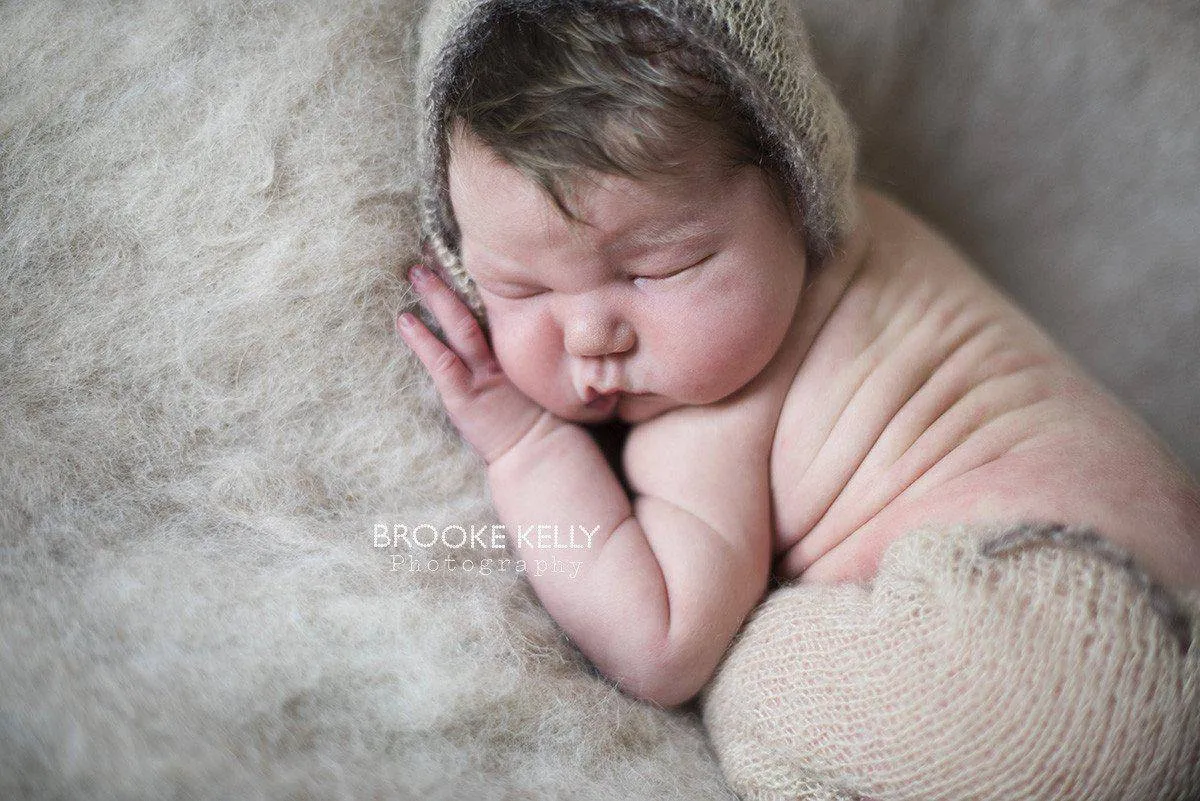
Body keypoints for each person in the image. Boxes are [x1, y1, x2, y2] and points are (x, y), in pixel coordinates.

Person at [399, 1, 1200, 797]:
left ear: (795, 191)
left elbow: (661, 643)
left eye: (659, 268)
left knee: (749, 690)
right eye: (519, 286)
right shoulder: (880, 238)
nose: (588, 334)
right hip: (1161, 591)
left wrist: (523, 444)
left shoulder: (710, 408)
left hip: (1024, 650)